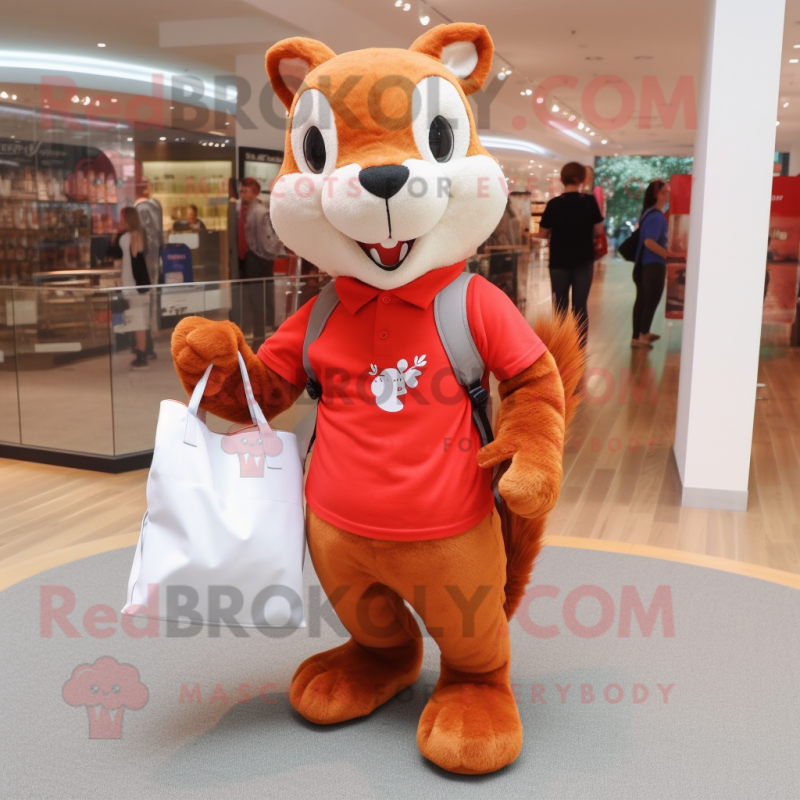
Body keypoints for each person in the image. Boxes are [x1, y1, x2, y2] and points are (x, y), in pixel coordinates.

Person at [537, 162, 605, 347]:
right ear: (582, 179)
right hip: (583, 260)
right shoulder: (589, 202)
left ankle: (560, 346)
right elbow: (599, 230)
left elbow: (542, 234)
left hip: (558, 261)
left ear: (562, 179)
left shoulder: (554, 204)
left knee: (559, 306)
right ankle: (580, 346)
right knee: (580, 305)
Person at [631, 180, 677, 348]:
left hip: (645, 265)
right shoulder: (656, 217)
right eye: (666, 191)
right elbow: (649, 242)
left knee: (643, 300)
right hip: (652, 265)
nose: (669, 194)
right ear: (658, 194)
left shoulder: (649, 213)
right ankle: (641, 335)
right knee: (649, 301)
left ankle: (640, 334)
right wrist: (667, 255)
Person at [236, 177, 281, 342]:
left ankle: (261, 337)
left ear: (253, 192)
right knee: (254, 301)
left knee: (259, 301)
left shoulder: (259, 212)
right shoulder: (247, 210)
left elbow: (267, 241)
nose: (242, 194)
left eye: (244, 191)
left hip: (258, 261)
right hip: (251, 260)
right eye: (241, 191)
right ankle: (258, 335)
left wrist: (269, 253)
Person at [118, 207, 152, 368]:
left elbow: (125, 264)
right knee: (142, 320)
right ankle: (145, 350)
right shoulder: (140, 236)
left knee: (137, 321)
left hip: (132, 286)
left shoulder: (126, 238)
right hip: (141, 286)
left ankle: (141, 354)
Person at [134, 180, 163, 359]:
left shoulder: (142, 209)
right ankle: (147, 344)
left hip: (145, 263)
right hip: (152, 262)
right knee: (149, 302)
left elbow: (151, 238)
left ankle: (144, 346)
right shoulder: (155, 207)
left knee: (143, 304)